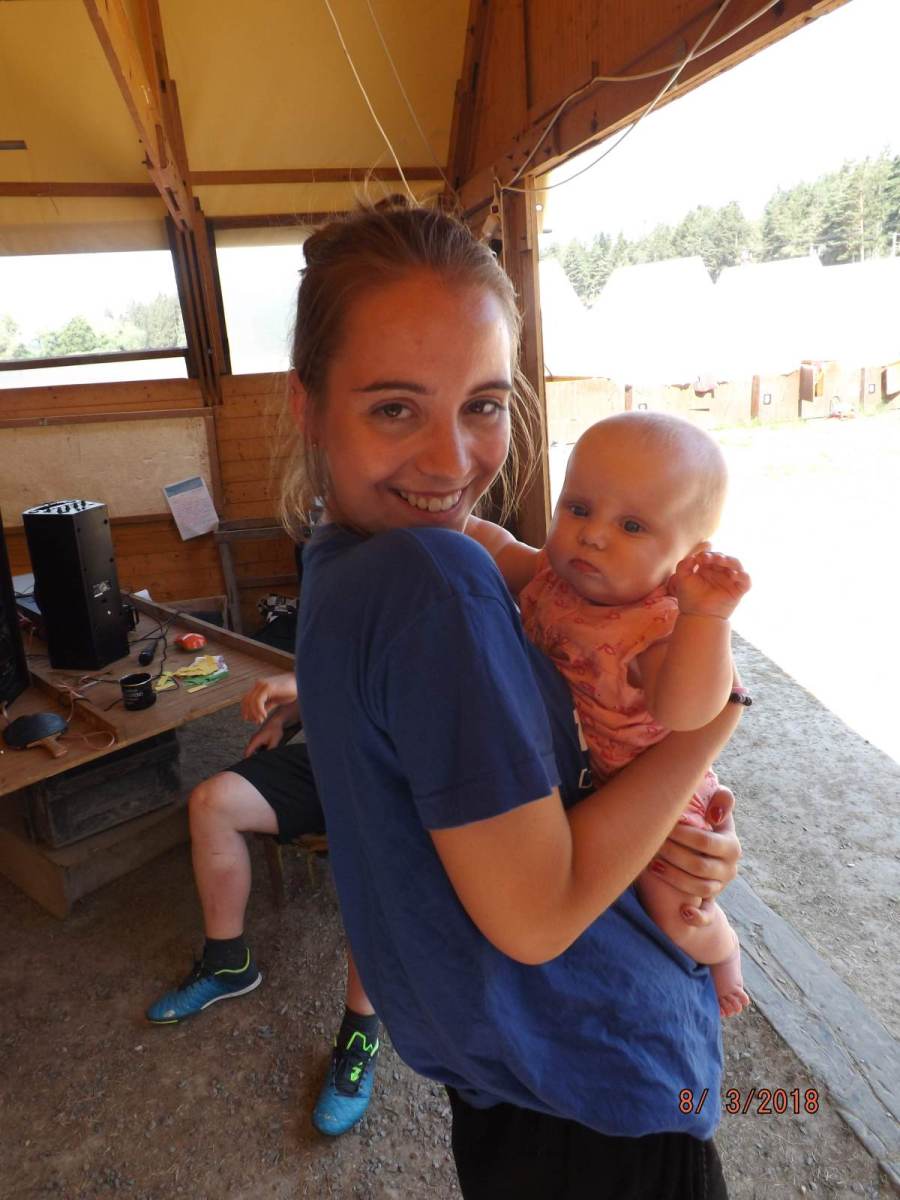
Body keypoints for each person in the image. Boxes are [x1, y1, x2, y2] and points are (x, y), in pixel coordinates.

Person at [282, 201, 745, 1199]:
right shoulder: (431, 582)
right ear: (308, 406)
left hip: (507, 1071)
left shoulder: (339, 564)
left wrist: (669, 813)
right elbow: (536, 919)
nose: (452, 462)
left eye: (483, 405)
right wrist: (707, 730)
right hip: (599, 1077)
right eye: (395, 408)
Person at [466, 412, 751, 1017]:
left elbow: (688, 712)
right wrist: (449, 522)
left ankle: (722, 948)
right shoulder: (552, 574)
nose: (592, 535)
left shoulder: (655, 626)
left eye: (631, 525)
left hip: (650, 786)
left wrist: (706, 620)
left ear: (687, 558)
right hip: (579, 777)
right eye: (578, 508)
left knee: (674, 904)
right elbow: (495, 546)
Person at [145, 669, 381, 1137]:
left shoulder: (444, 622)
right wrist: (287, 716)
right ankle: (228, 963)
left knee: (374, 859)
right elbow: (336, 666)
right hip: (332, 762)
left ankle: (360, 1036)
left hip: (397, 778)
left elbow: (406, 693)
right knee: (212, 803)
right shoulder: (337, 617)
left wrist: (310, 684)